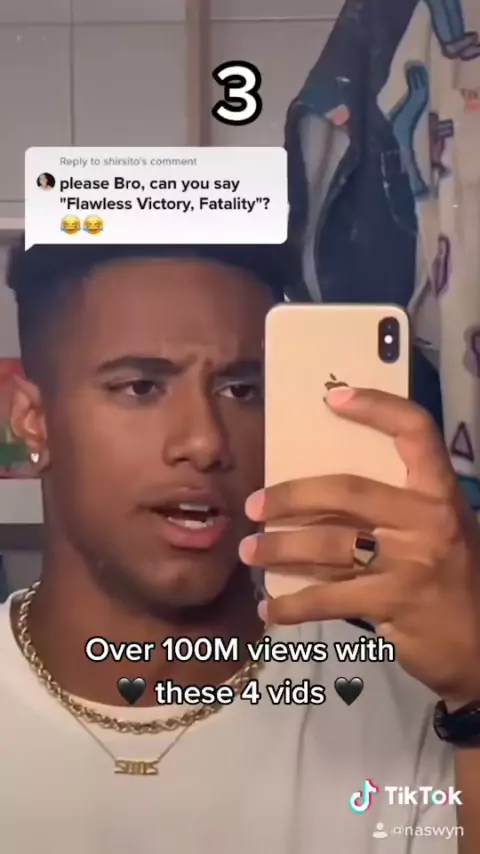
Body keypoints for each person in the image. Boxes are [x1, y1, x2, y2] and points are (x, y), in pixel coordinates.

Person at [1, 238, 479, 854]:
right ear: (33, 421)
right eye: (142, 387)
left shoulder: (421, 710)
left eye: (242, 391)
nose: (205, 442)